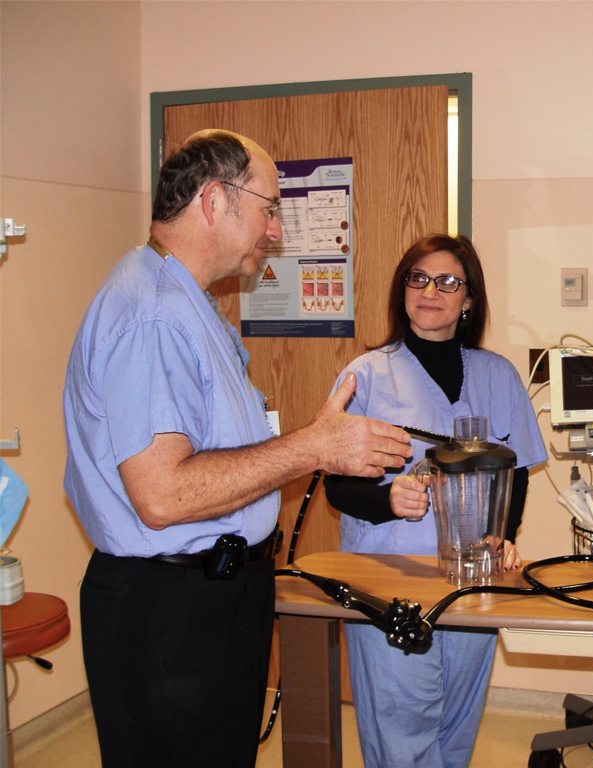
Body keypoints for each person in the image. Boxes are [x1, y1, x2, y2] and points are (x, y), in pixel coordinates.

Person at [63, 129, 412, 768]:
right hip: (170, 611)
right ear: (216, 200)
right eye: (271, 207)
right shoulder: (153, 317)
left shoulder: (189, 305)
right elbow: (164, 495)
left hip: (214, 597)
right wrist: (313, 448)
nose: (276, 231)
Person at [323, 233, 547, 768]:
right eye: (418, 278)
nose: (431, 291)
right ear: (402, 290)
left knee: (456, 724)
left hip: (476, 577)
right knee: (402, 729)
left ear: (469, 299)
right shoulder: (366, 376)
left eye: (448, 281)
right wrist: (386, 498)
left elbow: (513, 472)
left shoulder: (498, 376)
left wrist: (504, 535)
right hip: (390, 579)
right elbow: (334, 484)